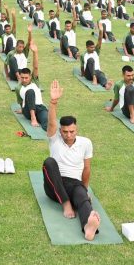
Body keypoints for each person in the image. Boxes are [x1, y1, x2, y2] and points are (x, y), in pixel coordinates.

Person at [41, 79, 101, 240]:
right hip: (54, 186)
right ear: (60, 131)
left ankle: (88, 227)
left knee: (82, 199)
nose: (68, 135)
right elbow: (51, 123)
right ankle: (66, 203)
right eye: (65, 132)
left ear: (76, 129)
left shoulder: (86, 143)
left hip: (74, 184)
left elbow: (87, 168)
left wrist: (85, 190)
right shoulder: (55, 139)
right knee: (49, 162)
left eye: (72, 131)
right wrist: (53, 102)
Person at [15, 43, 46, 129]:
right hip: (28, 111)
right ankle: (33, 118)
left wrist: (35, 52)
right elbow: (20, 101)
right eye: (22, 78)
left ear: (30, 77)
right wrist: (22, 109)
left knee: (47, 121)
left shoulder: (34, 81)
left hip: (39, 107)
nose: (24, 80)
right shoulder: (18, 88)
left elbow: (35, 67)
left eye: (26, 78)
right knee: (30, 92)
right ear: (20, 77)